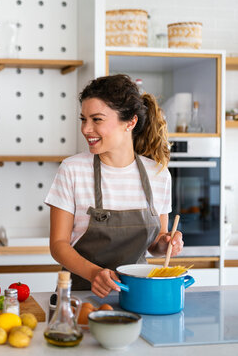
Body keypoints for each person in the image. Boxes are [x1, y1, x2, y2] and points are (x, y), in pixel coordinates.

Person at [45, 74, 184, 298]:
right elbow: (58, 245)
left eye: (97, 120)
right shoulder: (72, 170)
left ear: (130, 122)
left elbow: (156, 244)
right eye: (83, 119)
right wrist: (94, 273)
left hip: (139, 295)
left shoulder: (158, 175)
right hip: (81, 297)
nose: (86, 129)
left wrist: (167, 243)